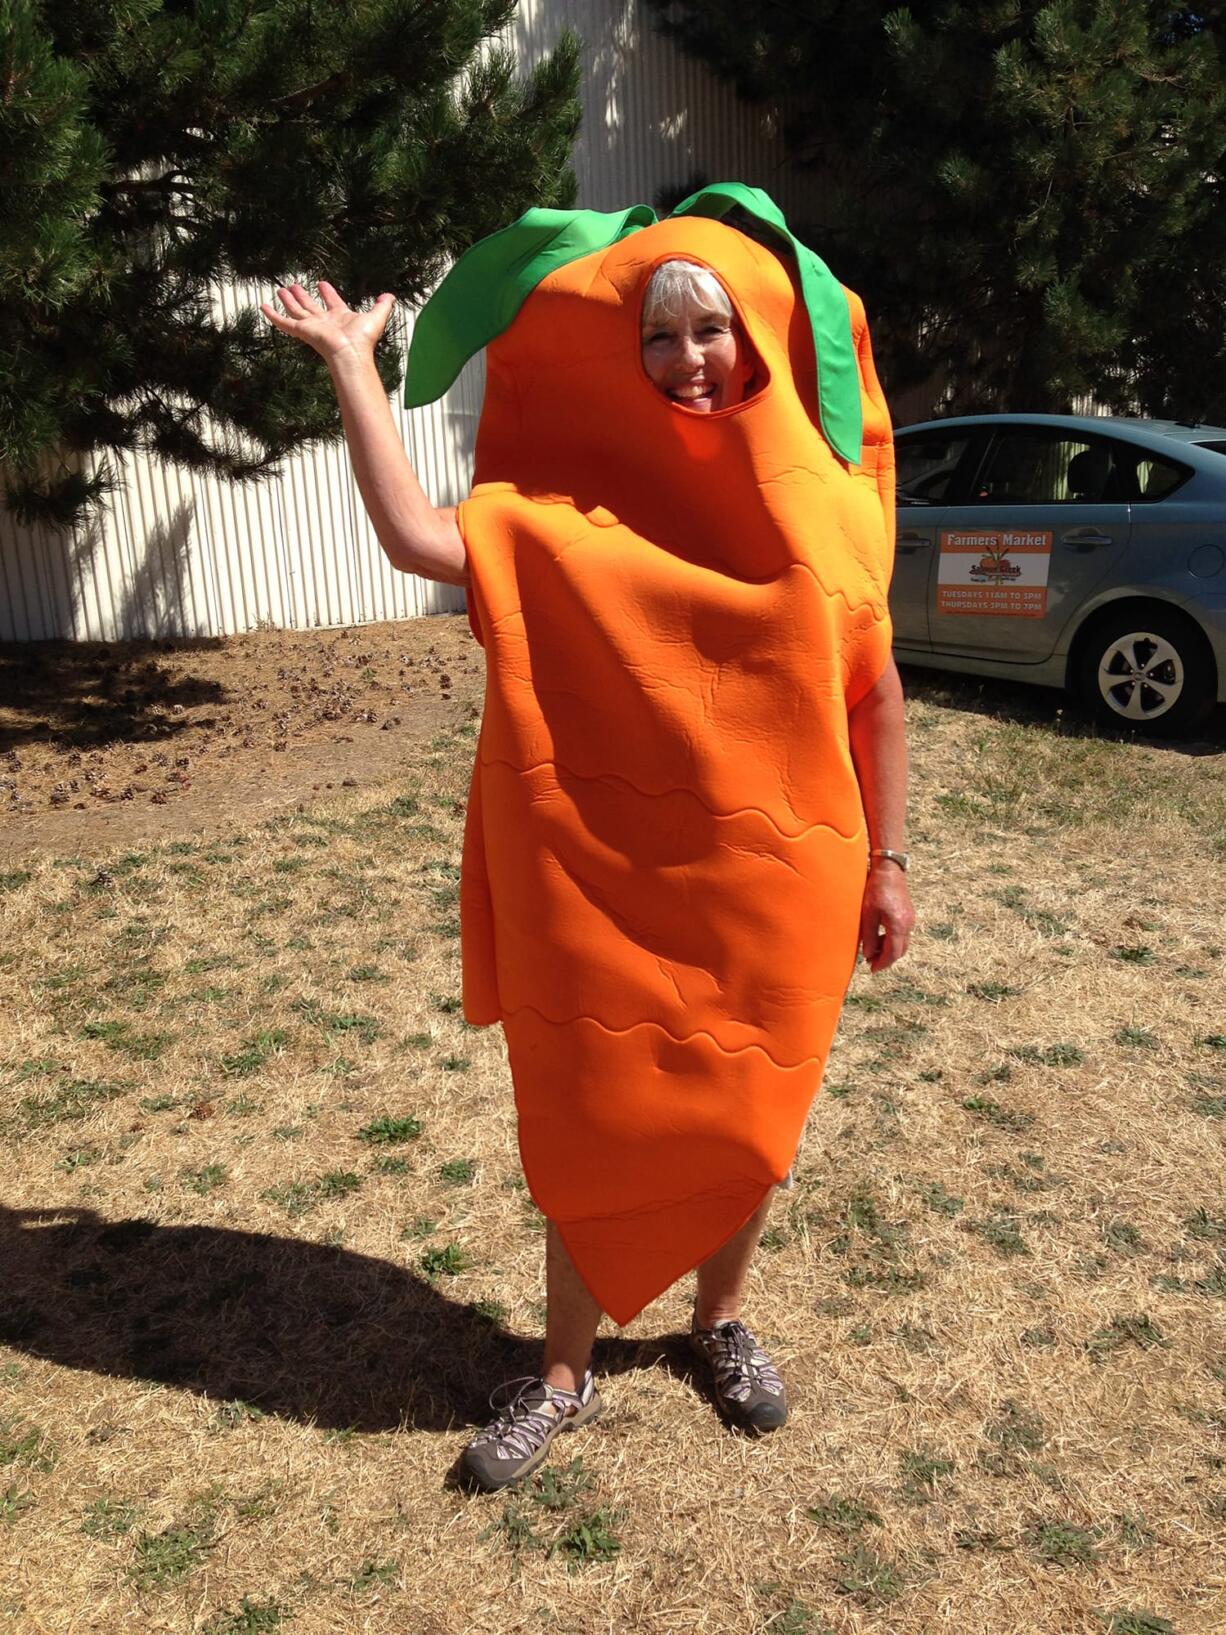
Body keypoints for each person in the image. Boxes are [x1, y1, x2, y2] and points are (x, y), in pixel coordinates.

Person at [262, 189, 914, 1492]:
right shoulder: (565, 514)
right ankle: (560, 1371)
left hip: (781, 875)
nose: (686, 359)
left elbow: (873, 698)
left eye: (711, 330)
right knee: (593, 1111)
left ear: (762, 340)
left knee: (747, 1118)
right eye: (658, 338)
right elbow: (412, 538)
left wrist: (888, 861)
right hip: (596, 876)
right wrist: (353, 372)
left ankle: (715, 1326)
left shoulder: (828, 514)